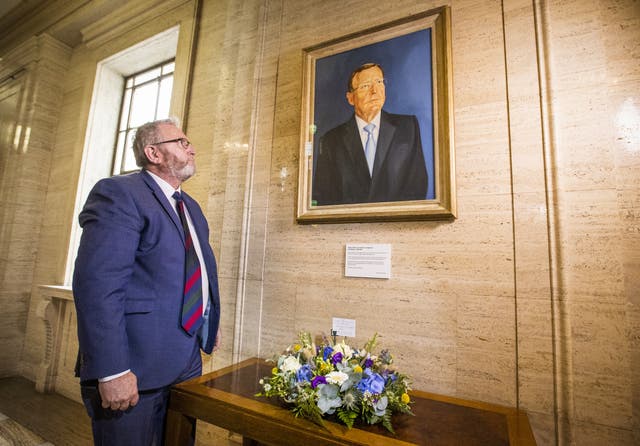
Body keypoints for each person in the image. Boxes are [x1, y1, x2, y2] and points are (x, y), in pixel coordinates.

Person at [72, 118, 221, 445]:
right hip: (133, 368)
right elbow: (98, 286)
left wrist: (208, 319)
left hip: (186, 360)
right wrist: (112, 370)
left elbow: (195, 271)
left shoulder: (191, 207)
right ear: (153, 152)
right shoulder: (119, 193)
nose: (192, 148)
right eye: (182, 142)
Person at [312, 62, 428, 206]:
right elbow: (324, 196)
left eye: (379, 82)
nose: (374, 91)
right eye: (365, 85)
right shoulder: (331, 140)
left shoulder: (408, 127)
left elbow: (418, 184)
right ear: (350, 98)